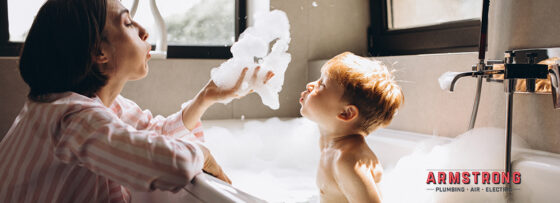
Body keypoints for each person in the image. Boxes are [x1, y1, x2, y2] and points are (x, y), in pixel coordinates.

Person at [0, 0, 273, 202]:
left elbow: (156, 133)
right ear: (99, 51)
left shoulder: (96, 106)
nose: (144, 31)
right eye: (128, 23)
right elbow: (171, 166)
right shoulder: (71, 118)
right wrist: (202, 153)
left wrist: (205, 98)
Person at [299, 52, 404, 203]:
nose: (310, 85)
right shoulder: (328, 143)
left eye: (321, 85)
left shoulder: (347, 160)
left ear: (346, 113)